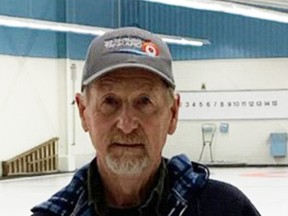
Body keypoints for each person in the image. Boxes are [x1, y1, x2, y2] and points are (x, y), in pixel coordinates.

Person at [31, 27, 261, 216]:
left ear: (173, 113)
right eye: (110, 102)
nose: (127, 124)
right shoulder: (55, 214)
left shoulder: (225, 210)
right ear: (83, 113)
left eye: (145, 102)